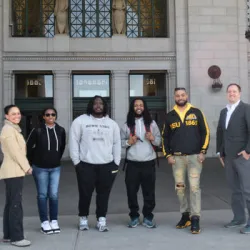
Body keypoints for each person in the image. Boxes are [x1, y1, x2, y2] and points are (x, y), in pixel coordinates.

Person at [69, 95, 121, 232]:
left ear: (105, 106)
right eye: (95, 103)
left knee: (104, 194)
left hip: (107, 164)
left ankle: (101, 219)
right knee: (85, 193)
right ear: (91, 105)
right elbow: (73, 142)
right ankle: (83, 218)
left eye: (101, 103)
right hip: (86, 165)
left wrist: (116, 162)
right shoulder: (80, 121)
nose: (98, 105)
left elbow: (117, 144)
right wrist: (76, 162)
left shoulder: (112, 124)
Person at [162, 87, 210, 234]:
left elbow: (205, 131)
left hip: (195, 157)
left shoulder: (196, 112)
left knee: (194, 188)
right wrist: (168, 155)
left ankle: (195, 218)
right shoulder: (170, 115)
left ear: (187, 96)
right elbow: (165, 137)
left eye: (183, 95)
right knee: (180, 188)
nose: (180, 97)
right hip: (177, 159)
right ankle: (185, 216)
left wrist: (203, 151)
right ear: (174, 97)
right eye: (177, 95)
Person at [120, 98, 161, 228]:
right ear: (132, 107)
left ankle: (148, 216)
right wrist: (128, 142)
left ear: (145, 107)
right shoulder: (126, 125)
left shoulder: (152, 124)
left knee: (149, 192)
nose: (138, 107)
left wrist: (153, 138)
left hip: (148, 163)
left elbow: (159, 141)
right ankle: (134, 216)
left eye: (141, 105)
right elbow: (119, 143)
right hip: (132, 164)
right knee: (131, 192)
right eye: (136, 105)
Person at [216, 83, 250, 234]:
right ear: (226, 94)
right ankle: (239, 218)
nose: (232, 94)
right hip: (228, 157)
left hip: (243, 157)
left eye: (234, 91)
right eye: (229, 91)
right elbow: (220, 133)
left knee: (247, 190)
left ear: (240, 93)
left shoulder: (246, 109)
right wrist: (220, 153)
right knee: (235, 190)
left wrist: (248, 151)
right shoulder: (224, 111)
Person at [26, 108, 66, 235]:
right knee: (42, 195)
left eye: (53, 114)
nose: (50, 116)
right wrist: (32, 162)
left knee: (54, 195)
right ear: (43, 116)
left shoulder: (60, 130)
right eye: (47, 114)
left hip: (55, 168)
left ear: (56, 116)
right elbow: (27, 147)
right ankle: (44, 221)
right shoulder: (37, 130)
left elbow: (62, 147)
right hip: (40, 168)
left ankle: (54, 220)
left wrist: (55, 159)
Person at [0, 105, 32, 247]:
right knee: (15, 204)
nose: (17, 116)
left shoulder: (12, 129)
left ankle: (8, 235)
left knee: (10, 203)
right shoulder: (8, 130)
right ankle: (17, 237)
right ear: (6, 116)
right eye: (13, 114)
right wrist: (27, 167)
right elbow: (15, 152)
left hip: (13, 171)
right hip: (13, 171)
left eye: (18, 113)